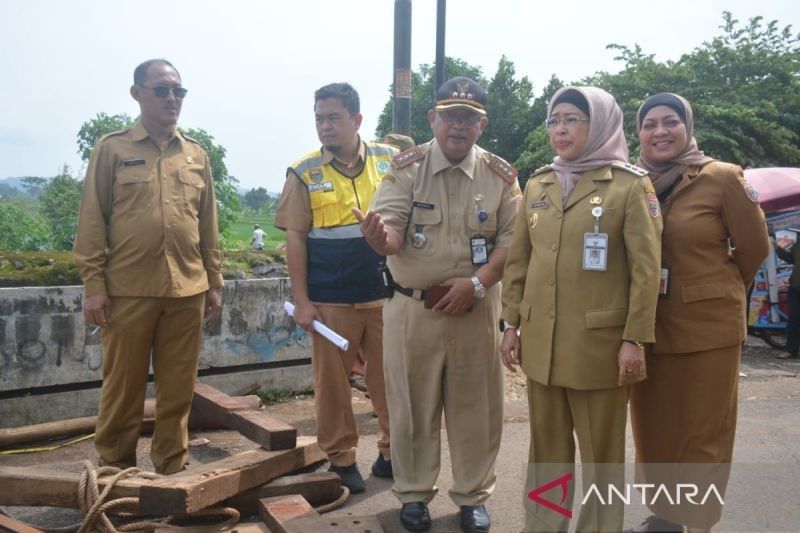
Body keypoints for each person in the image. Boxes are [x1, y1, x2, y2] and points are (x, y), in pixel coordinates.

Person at [356, 76, 520, 533]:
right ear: (433, 119)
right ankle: (412, 495)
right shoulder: (406, 168)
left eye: (468, 118)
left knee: (477, 409)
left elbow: (511, 242)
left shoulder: (501, 175)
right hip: (414, 311)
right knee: (411, 406)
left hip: (477, 309)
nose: (458, 125)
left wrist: (478, 281)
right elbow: (389, 232)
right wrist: (378, 238)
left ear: (482, 125)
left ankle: (472, 497)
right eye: (449, 115)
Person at [499, 86, 663, 532]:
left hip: (601, 349)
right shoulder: (539, 183)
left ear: (601, 124)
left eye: (573, 118)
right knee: (546, 450)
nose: (561, 129)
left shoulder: (629, 185)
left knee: (601, 456)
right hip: (542, 347)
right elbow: (519, 262)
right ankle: (543, 526)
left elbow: (647, 273)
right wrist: (509, 323)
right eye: (554, 120)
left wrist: (635, 340)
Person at [627, 93, 770, 532]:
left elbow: (754, 249)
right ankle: (666, 516)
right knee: (654, 429)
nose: (660, 131)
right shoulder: (634, 181)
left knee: (703, 433)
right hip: (648, 326)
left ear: (688, 127)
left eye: (670, 121)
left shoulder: (722, 177)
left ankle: (699, 521)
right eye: (649, 124)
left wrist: (716, 292)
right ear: (639, 133)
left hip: (709, 331)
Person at [73, 59, 223, 475]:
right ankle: (113, 476)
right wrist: (93, 285)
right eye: (161, 89)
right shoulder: (112, 149)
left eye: (178, 91)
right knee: (123, 391)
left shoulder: (195, 155)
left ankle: (172, 474)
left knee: (177, 393)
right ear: (137, 93)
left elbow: (207, 224)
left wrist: (214, 282)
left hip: (187, 292)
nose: (172, 98)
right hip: (128, 293)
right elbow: (91, 221)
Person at [274, 82, 396, 493]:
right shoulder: (304, 171)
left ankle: (392, 453)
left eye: (333, 118)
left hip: (386, 296)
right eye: (319, 118)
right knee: (333, 388)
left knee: (391, 379)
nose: (324, 126)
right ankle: (342, 460)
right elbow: (294, 239)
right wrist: (303, 302)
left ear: (357, 120)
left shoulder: (391, 160)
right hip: (330, 302)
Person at [773, 234, 800, 359]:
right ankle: (790, 350)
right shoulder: (798, 244)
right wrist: (777, 248)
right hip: (795, 287)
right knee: (794, 319)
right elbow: (790, 259)